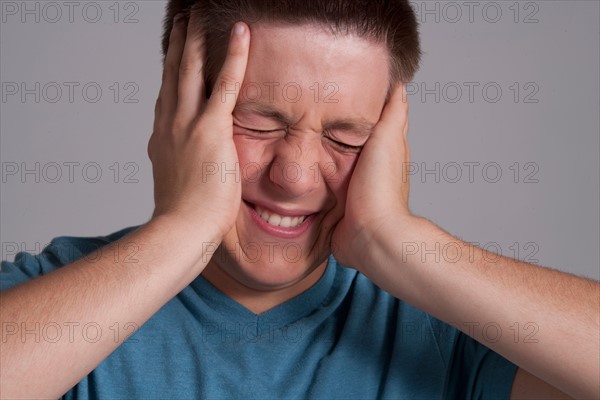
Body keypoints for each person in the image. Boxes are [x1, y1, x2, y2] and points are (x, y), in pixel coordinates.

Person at [1, 0, 598, 398]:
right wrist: (182, 231)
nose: (296, 176)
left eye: (346, 136)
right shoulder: (49, 302)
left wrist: (399, 240)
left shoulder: (449, 332)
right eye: (257, 124)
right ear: (177, 118)